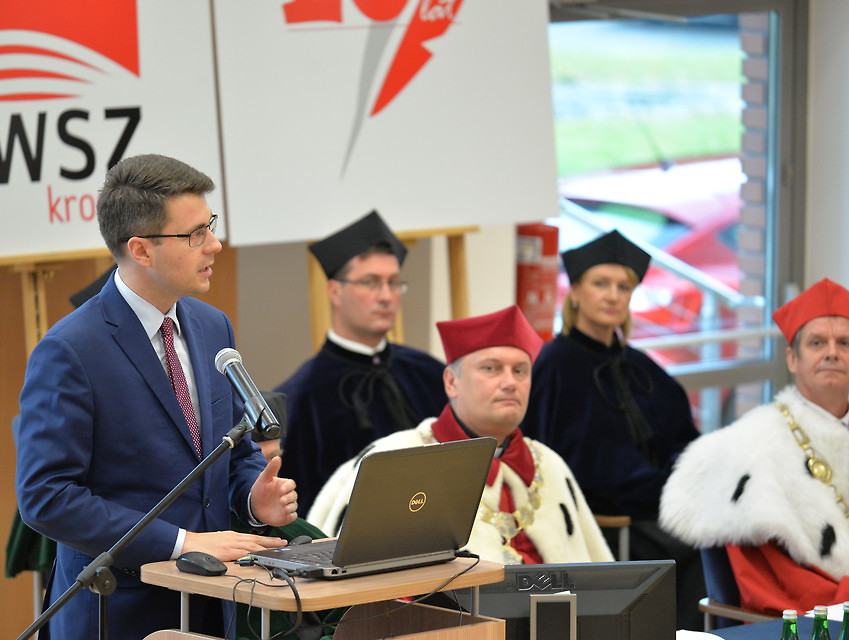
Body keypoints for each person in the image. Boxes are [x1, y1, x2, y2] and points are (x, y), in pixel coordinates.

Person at [14, 154, 298, 640]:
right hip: (119, 612)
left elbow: (233, 450)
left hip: (213, 603)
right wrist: (181, 543)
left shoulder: (212, 326)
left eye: (210, 225)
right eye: (195, 234)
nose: (215, 244)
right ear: (141, 250)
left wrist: (253, 496)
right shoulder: (70, 350)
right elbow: (47, 497)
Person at [308, 305, 614, 565]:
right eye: (491, 369)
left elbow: (598, 580)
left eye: (520, 371)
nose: (510, 382)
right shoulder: (394, 458)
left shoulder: (549, 464)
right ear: (451, 382)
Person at [519, 229, 704, 629]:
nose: (613, 296)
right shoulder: (554, 365)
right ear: (575, 291)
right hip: (608, 522)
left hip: (662, 505)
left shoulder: (641, 366)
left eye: (623, 287)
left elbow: (683, 440)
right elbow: (558, 460)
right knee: (693, 550)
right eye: (600, 284)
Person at [659, 278, 849, 616]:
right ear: (792, 358)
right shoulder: (752, 449)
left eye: (844, 343)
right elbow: (777, 588)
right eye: (817, 342)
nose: (832, 352)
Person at [277, 210, 448, 515]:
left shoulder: (430, 373)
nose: (386, 296)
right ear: (335, 291)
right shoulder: (303, 397)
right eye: (371, 282)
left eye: (394, 283)